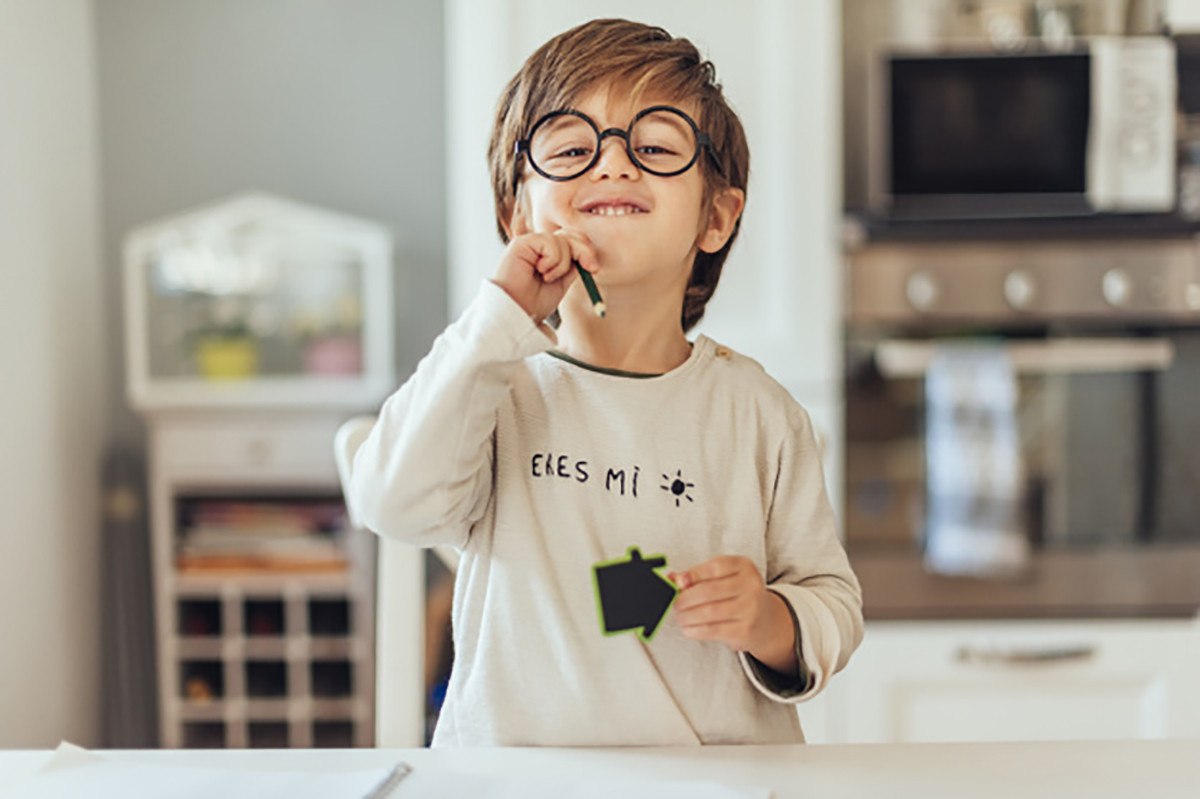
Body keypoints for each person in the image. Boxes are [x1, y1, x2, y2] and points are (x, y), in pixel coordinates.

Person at [349, 17, 862, 747]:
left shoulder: (762, 414)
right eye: (570, 148)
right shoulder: (493, 388)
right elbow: (388, 500)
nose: (612, 164)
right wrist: (497, 318)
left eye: (654, 147)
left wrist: (771, 620)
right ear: (516, 213)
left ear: (716, 216)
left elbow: (833, 602)